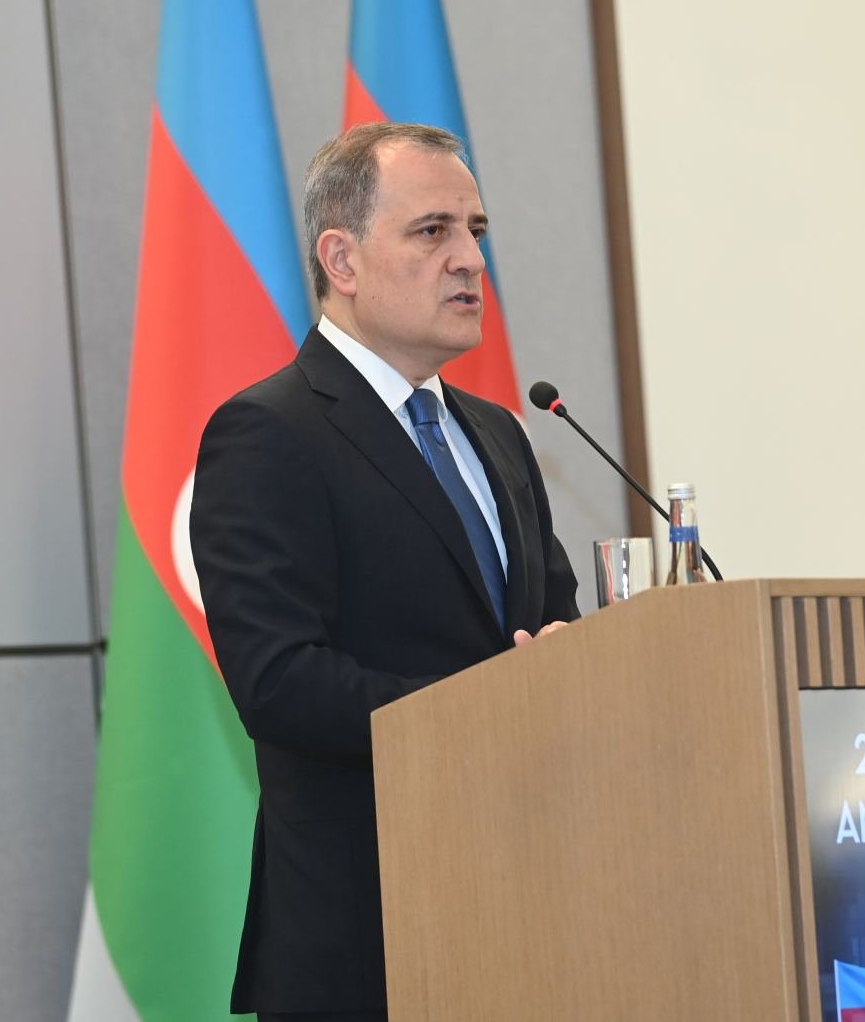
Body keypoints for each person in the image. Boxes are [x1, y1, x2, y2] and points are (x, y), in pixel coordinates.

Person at [189, 121, 580, 1022]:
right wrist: (490, 708)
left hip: (531, 915)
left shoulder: (501, 435)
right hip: (366, 939)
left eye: (475, 230)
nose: (470, 260)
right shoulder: (270, 433)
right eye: (432, 230)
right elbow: (279, 681)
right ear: (343, 259)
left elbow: (550, 634)